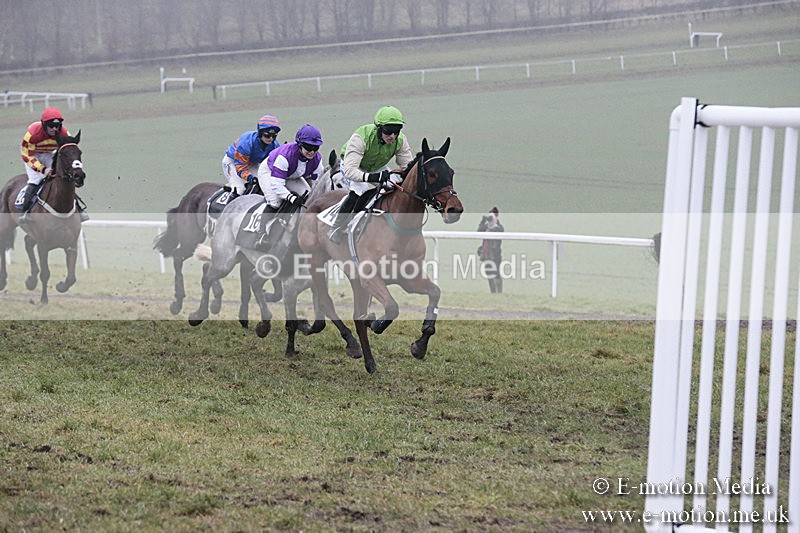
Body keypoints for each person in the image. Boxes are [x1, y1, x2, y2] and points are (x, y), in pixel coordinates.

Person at [328, 105, 414, 244]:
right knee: (359, 190)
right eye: (388, 131)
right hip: (353, 165)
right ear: (379, 128)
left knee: (393, 187)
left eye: (396, 131)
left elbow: (408, 166)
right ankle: (336, 227)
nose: (392, 136)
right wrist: (372, 178)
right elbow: (350, 171)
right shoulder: (361, 137)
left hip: (377, 167)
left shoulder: (400, 140)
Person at [254, 124, 325, 251]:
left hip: (292, 174)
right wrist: (291, 198)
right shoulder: (285, 156)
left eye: (315, 147)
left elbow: (317, 182)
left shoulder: (317, 159)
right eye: (308, 147)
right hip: (270, 172)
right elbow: (277, 184)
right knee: (275, 202)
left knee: (310, 200)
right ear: (299, 144)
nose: (312, 151)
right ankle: (262, 234)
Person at [18, 107, 88, 223]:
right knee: (36, 180)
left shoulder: (64, 133)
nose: (54, 129)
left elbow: (69, 149)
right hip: (33, 155)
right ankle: (25, 212)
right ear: (44, 124)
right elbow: (27, 156)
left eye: (57, 126)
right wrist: (42, 169)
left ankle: (79, 208)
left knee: (63, 178)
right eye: (51, 126)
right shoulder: (33, 134)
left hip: (51, 153)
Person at [222, 114, 281, 197]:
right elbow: (240, 167)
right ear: (260, 133)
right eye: (267, 135)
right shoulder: (246, 143)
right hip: (234, 163)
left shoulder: (275, 145)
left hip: (252, 163)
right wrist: (250, 178)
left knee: (266, 185)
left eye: (274, 136)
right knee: (240, 189)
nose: (270, 138)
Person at [477, 207, 504, 294]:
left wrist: (494, 223)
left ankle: (499, 292)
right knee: (489, 274)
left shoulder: (499, 227)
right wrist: (484, 221)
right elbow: (479, 231)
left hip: (495, 254)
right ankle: (493, 292)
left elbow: (498, 232)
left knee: (496, 274)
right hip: (486, 255)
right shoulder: (486, 226)